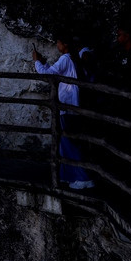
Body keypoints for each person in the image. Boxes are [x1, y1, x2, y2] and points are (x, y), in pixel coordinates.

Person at [33, 35, 94, 190]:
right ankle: (68, 176)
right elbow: (54, 73)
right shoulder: (73, 59)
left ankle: (83, 178)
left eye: (59, 42)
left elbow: (47, 76)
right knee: (66, 143)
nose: (57, 45)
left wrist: (36, 62)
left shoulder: (66, 59)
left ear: (65, 44)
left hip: (67, 106)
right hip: (74, 106)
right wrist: (43, 62)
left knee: (69, 143)